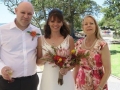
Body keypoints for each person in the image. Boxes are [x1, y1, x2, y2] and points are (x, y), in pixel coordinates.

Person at [0, 1, 41, 90]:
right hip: (8, 82)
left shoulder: (37, 31)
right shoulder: (2, 31)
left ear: (33, 14)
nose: (26, 16)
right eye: (23, 12)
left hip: (31, 81)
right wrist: (1, 68)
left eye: (29, 13)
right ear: (16, 11)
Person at [37, 8, 75, 90]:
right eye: (52, 21)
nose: (55, 24)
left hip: (65, 78)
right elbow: (38, 62)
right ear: (48, 22)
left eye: (58, 21)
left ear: (62, 23)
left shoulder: (69, 39)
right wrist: (45, 59)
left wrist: (66, 68)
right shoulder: (41, 39)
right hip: (48, 78)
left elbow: (74, 61)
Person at [73, 15, 111, 90]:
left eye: (91, 23)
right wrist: (72, 83)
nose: (89, 25)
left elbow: (108, 71)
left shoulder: (102, 45)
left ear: (95, 26)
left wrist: (99, 88)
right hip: (81, 84)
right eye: (86, 24)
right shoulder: (78, 43)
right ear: (83, 27)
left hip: (98, 84)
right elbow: (76, 67)